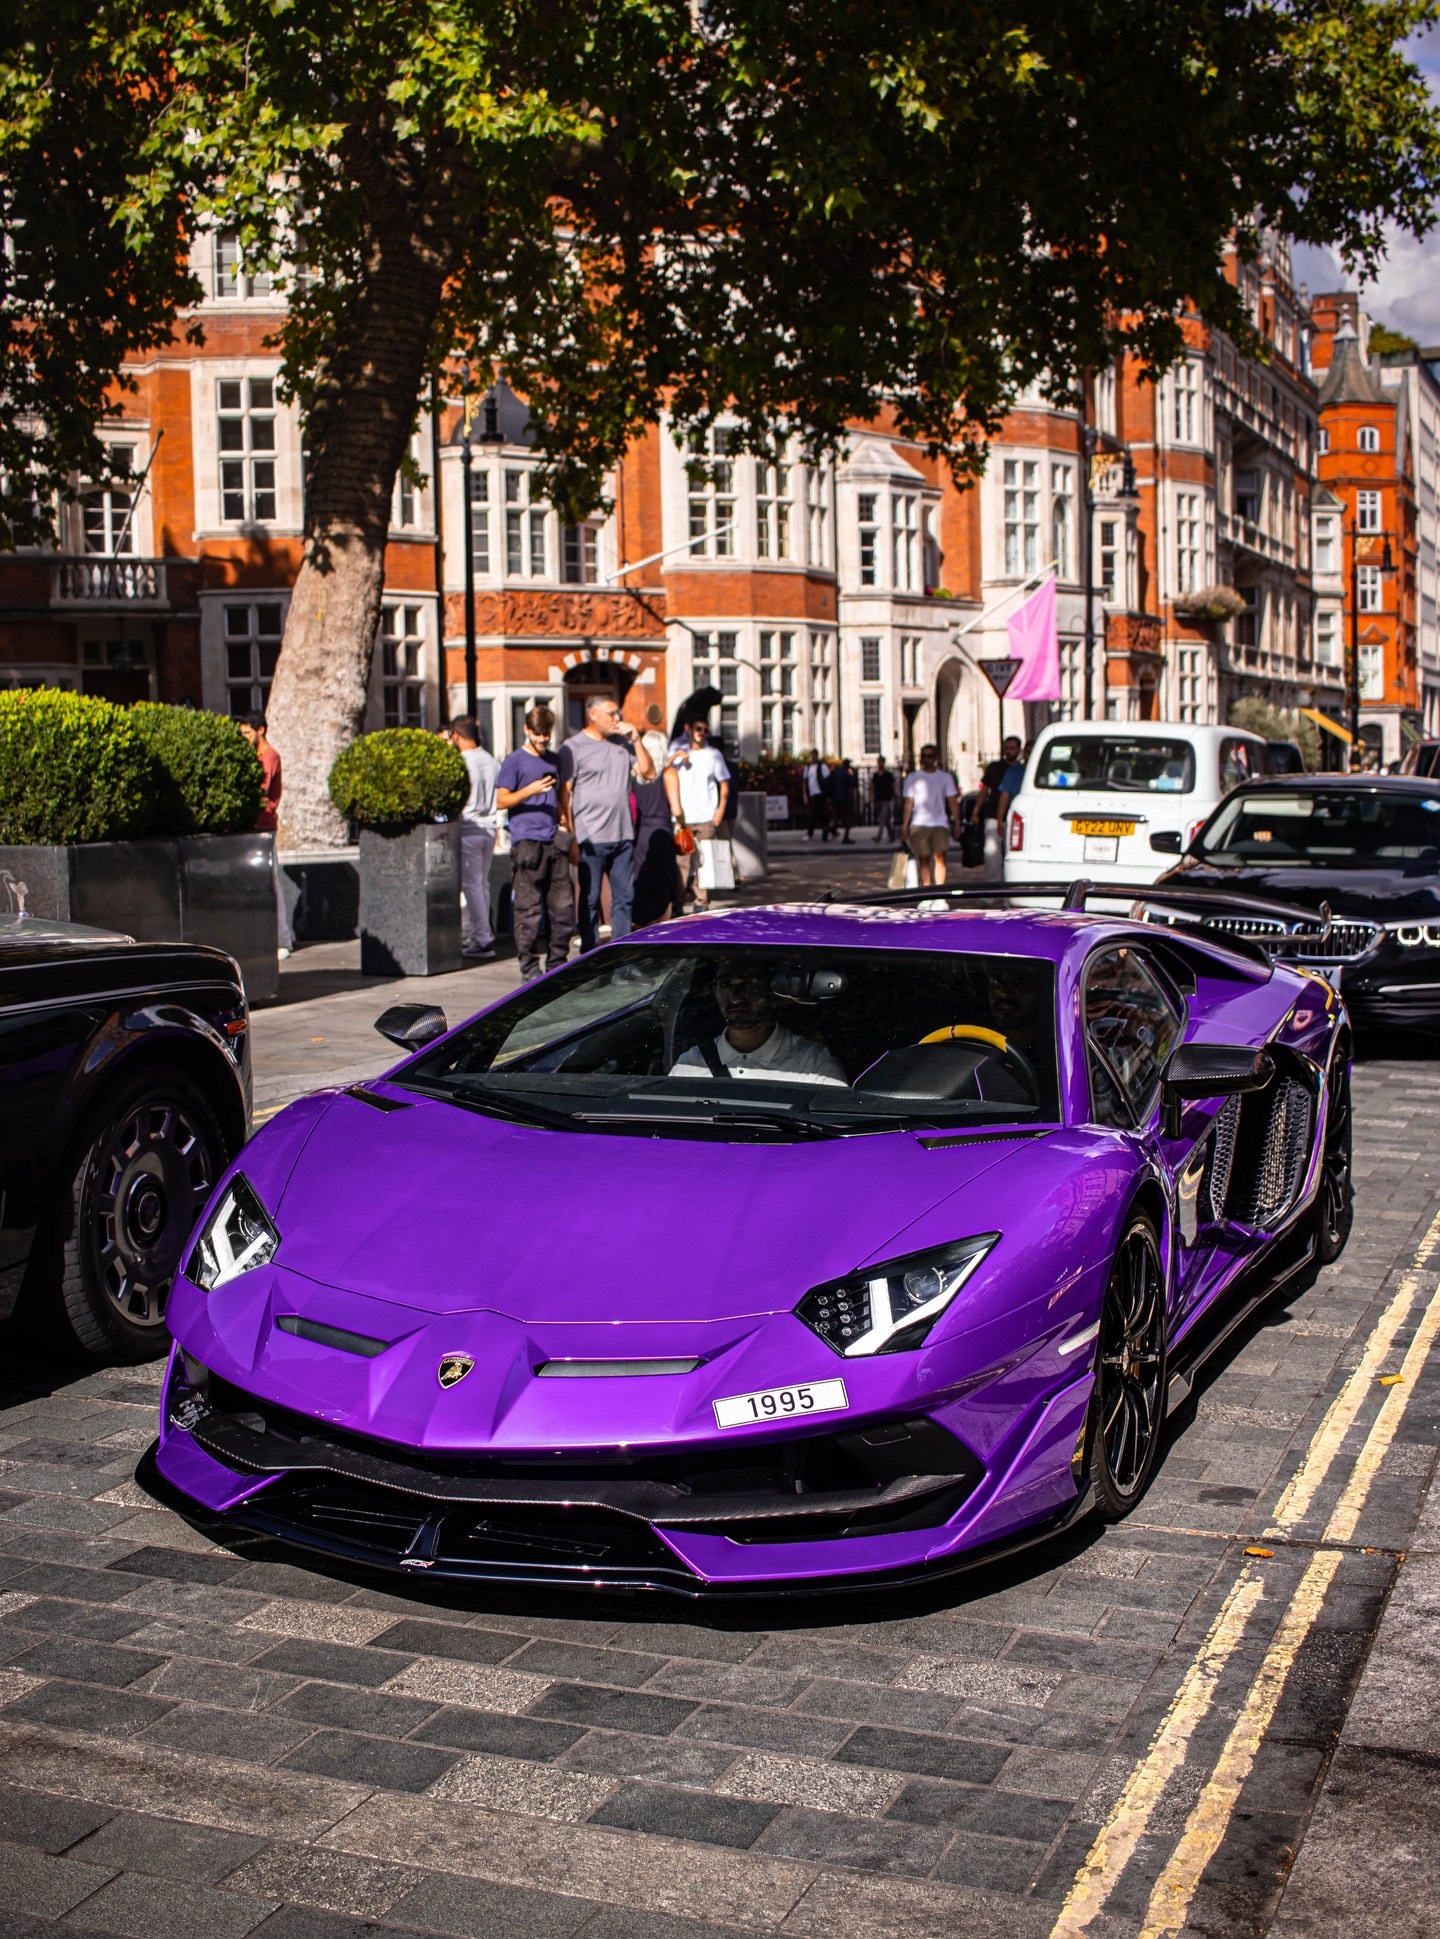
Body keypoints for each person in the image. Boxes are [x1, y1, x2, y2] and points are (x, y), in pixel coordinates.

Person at [557, 696, 654, 951]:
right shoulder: (573, 747)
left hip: (622, 834)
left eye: (618, 713)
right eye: (612, 713)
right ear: (593, 715)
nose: (617, 719)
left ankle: (619, 955)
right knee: (588, 900)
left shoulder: (623, 744)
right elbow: (564, 792)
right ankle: (589, 955)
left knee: (624, 900)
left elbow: (648, 773)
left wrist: (636, 740)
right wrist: (573, 834)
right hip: (590, 838)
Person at [670, 961, 847, 1083]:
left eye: (748, 984)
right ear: (713, 991)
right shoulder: (690, 1064)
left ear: (772, 991)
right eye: (725, 985)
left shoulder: (813, 1064)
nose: (736, 998)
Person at [496, 704, 574, 978]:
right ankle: (529, 970)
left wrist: (568, 830)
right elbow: (501, 799)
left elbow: (563, 798)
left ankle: (557, 965)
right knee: (528, 912)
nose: (543, 739)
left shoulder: (555, 760)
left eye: (547, 734)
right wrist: (529, 790)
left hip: (555, 839)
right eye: (538, 734)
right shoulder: (515, 760)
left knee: (562, 909)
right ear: (527, 730)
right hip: (527, 842)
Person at [443, 718, 500, 960]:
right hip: (489, 826)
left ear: (456, 735)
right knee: (481, 884)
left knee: (472, 886)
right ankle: (479, 933)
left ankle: (482, 938)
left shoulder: (462, 763)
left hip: (469, 827)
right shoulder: (490, 759)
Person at [238, 713, 293, 959]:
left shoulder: (269, 756)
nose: (245, 738)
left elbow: (264, 789)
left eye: (248, 733)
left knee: (271, 880)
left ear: (260, 729)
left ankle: (283, 938)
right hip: (255, 825)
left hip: (264, 824)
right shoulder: (253, 756)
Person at [669, 715, 731, 910]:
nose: (702, 733)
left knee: (704, 862)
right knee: (682, 862)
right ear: (689, 730)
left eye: (705, 730)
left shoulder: (713, 755)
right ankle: (678, 903)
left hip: (705, 817)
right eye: (698, 729)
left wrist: (719, 811)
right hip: (683, 818)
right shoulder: (679, 753)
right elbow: (663, 774)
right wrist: (675, 756)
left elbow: (725, 784)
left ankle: (701, 901)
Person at [901, 742, 961, 886]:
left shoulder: (945, 777)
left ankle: (939, 892)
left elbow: (952, 801)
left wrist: (957, 822)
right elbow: (908, 804)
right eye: (924, 756)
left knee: (940, 857)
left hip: (939, 822)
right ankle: (926, 892)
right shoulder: (913, 778)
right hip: (919, 822)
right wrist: (904, 826)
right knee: (924, 859)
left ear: (936, 758)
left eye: (930, 756)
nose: (927, 759)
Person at [971, 734, 1021, 881]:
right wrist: (976, 810)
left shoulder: (1022, 770)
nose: (1009, 751)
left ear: (1018, 750)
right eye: (1006, 748)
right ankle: (993, 886)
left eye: (1012, 748)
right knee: (991, 853)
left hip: (1015, 816)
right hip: (993, 815)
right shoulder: (994, 768)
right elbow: (984, 790)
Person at [802, 750, 831, 841]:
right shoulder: (808, 767)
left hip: (820, 793)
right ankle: (830, 829)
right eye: (811, 756)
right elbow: (805, 782)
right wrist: (805, 795)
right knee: (820, 814)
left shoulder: (822, 766)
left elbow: (827, 781)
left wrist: (827, 794)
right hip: (812, 793)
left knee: (813, 814)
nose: (812, 757)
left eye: (814, 755)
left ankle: (809, 834)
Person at [831, 758, 858, 843]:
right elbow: (855, 783)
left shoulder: (836, 772)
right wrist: (853, 774)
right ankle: (846, 837)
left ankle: (829, 828)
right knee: (848, 818)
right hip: (845, 799)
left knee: (836, 816)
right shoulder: (846, 774)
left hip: (835, 797)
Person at [871, 756, 896, 844]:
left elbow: (893, 786)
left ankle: (879, 837)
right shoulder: (875, 775)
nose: (879, 764)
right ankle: (892, 836)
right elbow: (873, 787)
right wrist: (870, 797)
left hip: (886, 798)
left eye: (881, 762)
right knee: (886, 820)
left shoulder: (888, 774)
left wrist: (895, 796)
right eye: (878, 762)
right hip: (878, 798)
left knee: (882, 818)